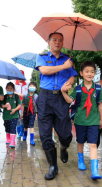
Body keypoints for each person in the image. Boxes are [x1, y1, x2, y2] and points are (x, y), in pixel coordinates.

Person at [35, 32, 78, 180]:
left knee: (66, 134)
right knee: (45, 134)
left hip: (61, 97)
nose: (57, 42)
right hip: (45, 97)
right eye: (54, 40)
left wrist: (69, 83)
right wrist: (63, 66)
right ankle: (53, 165)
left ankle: (63, 147)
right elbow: (44, 71)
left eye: (60, 40)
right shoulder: (42, 57)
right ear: (48, 42)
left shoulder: (68, 59)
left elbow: (72, 75)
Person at [62, 61, 102, 180]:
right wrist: (63, 92)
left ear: (95, 73)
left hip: (94, 121)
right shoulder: (78, 89)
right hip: (80, 121)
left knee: (93, 144)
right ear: (81, 73)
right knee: (80, 142)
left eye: (92, 71)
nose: (89, 74)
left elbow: (100, 104)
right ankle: (81, 161)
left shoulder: (98, 88)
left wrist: (101, 119)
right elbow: (70, 101)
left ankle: (94, 171)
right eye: (87, 71)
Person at [1, 82, 21, 148]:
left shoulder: (16, 96)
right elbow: (1, 105)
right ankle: (8, 139)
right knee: (7, 127)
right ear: (6, 89)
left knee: (13, 127)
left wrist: (15, 109)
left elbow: (19, 105)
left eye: (11, 88)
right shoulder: (4, 97)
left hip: (14, 115)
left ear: (13, 89)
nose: (9, 89)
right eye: (8, 88)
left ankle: (13, 141)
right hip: (6, 115)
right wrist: (5, 106)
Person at [21, 82, 38, 146]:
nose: (32, 87)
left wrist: (36, 114)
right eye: (30, 86)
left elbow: (37, 105)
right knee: (25, 125)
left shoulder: (36, 96)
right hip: (25, 111)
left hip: (32, 112)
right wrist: (22, 113)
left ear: (36, 88)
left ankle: (31, 139)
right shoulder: (25, 96)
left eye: (33, 86)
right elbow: (22, 105)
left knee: (31, 125)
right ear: (28, 87)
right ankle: (25, 135)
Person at [14, 70, 28, 139]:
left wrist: (23, 96)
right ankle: (19, 132)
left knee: (22, 118)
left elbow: (28, 94)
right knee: (17, 118)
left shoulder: (27, 84)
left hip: (24, 104)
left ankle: (22, 132)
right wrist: (19, 94)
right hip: (17, 104)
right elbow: (12, 92)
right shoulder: (14, 85)